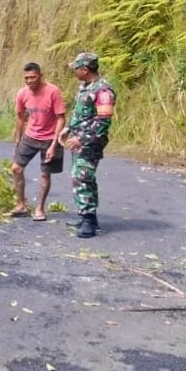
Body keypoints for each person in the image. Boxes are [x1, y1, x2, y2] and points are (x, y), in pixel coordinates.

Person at [59, 52, 116, 238]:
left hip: (91, 142)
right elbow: (80, 114)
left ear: (85, 70)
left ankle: (88, 222)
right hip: (79, 140)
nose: (74, 71)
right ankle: (88, 217)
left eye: (76, 68)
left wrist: (82, 138)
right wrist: (68, 129)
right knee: (83, 177)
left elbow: (103, 121)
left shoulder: (103, 91)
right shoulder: (85, 87)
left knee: (81, 177)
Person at [10, 62, 66, 221]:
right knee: (16, 168)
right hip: (30, 136)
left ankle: (40, 208)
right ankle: (21, 205)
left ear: (40, 76)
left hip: (50, 138)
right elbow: (20, 117)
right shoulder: (22, 94)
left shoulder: (53, 91)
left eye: (33, 77)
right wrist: (18, 139)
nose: (29, 81)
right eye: (26, 78)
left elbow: (61, 118)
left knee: (44, 174)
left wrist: (54, 144)